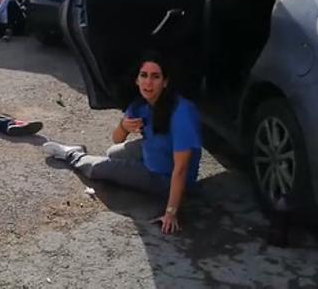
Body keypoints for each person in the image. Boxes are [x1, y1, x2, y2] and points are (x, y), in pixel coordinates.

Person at [42, 51, 202, 235]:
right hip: (154, 151)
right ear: (136, 80)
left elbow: (181, 169)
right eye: (144, 75)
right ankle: (129, 166)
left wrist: (171, 212)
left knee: (98, 168)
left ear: (165, 82)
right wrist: (124, 126)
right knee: (113, 152)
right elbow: (117, 138)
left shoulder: (183, 113)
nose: (148, 83)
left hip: (163, 177)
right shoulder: (141, 104)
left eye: (156, 77)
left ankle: (71, 154)